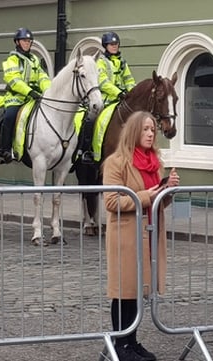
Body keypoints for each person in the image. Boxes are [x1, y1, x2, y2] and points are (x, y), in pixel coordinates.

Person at [102, 110, 179, 361]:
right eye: (145, 130)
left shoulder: (153, 162)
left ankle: (132, 341)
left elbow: (156, 201)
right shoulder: (117, 161)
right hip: (126, 236)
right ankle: (121, 343)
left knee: (138, 291)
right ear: (134, 132)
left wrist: (168, 191)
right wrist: (147, 195)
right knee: (124, 290)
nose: (150, 134)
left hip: (148, 232)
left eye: (152, 130)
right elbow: (112, 201)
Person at [79, 31, 136, 164]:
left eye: (116, 44)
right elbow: (103, 82)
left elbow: (129, 80)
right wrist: (119, 93)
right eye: (111, 44)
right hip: (105, 100)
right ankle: (86, 150)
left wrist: (132, 93)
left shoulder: (122, 62)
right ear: (105, 46)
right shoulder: (100, 62)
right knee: (90, 120)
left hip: (122, 100)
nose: (114, 46)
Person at [0, 27, 51, 164]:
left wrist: (48, 91)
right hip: (16, 98)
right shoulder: (12, 60)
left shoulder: (34, 59)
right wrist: (30, 92)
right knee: (9, 117)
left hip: (34, 98)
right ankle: (5, 149)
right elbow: (14, 80)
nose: (27, 43)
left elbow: (42, 77)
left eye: (29, 41)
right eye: (24, 41)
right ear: (17, 42)